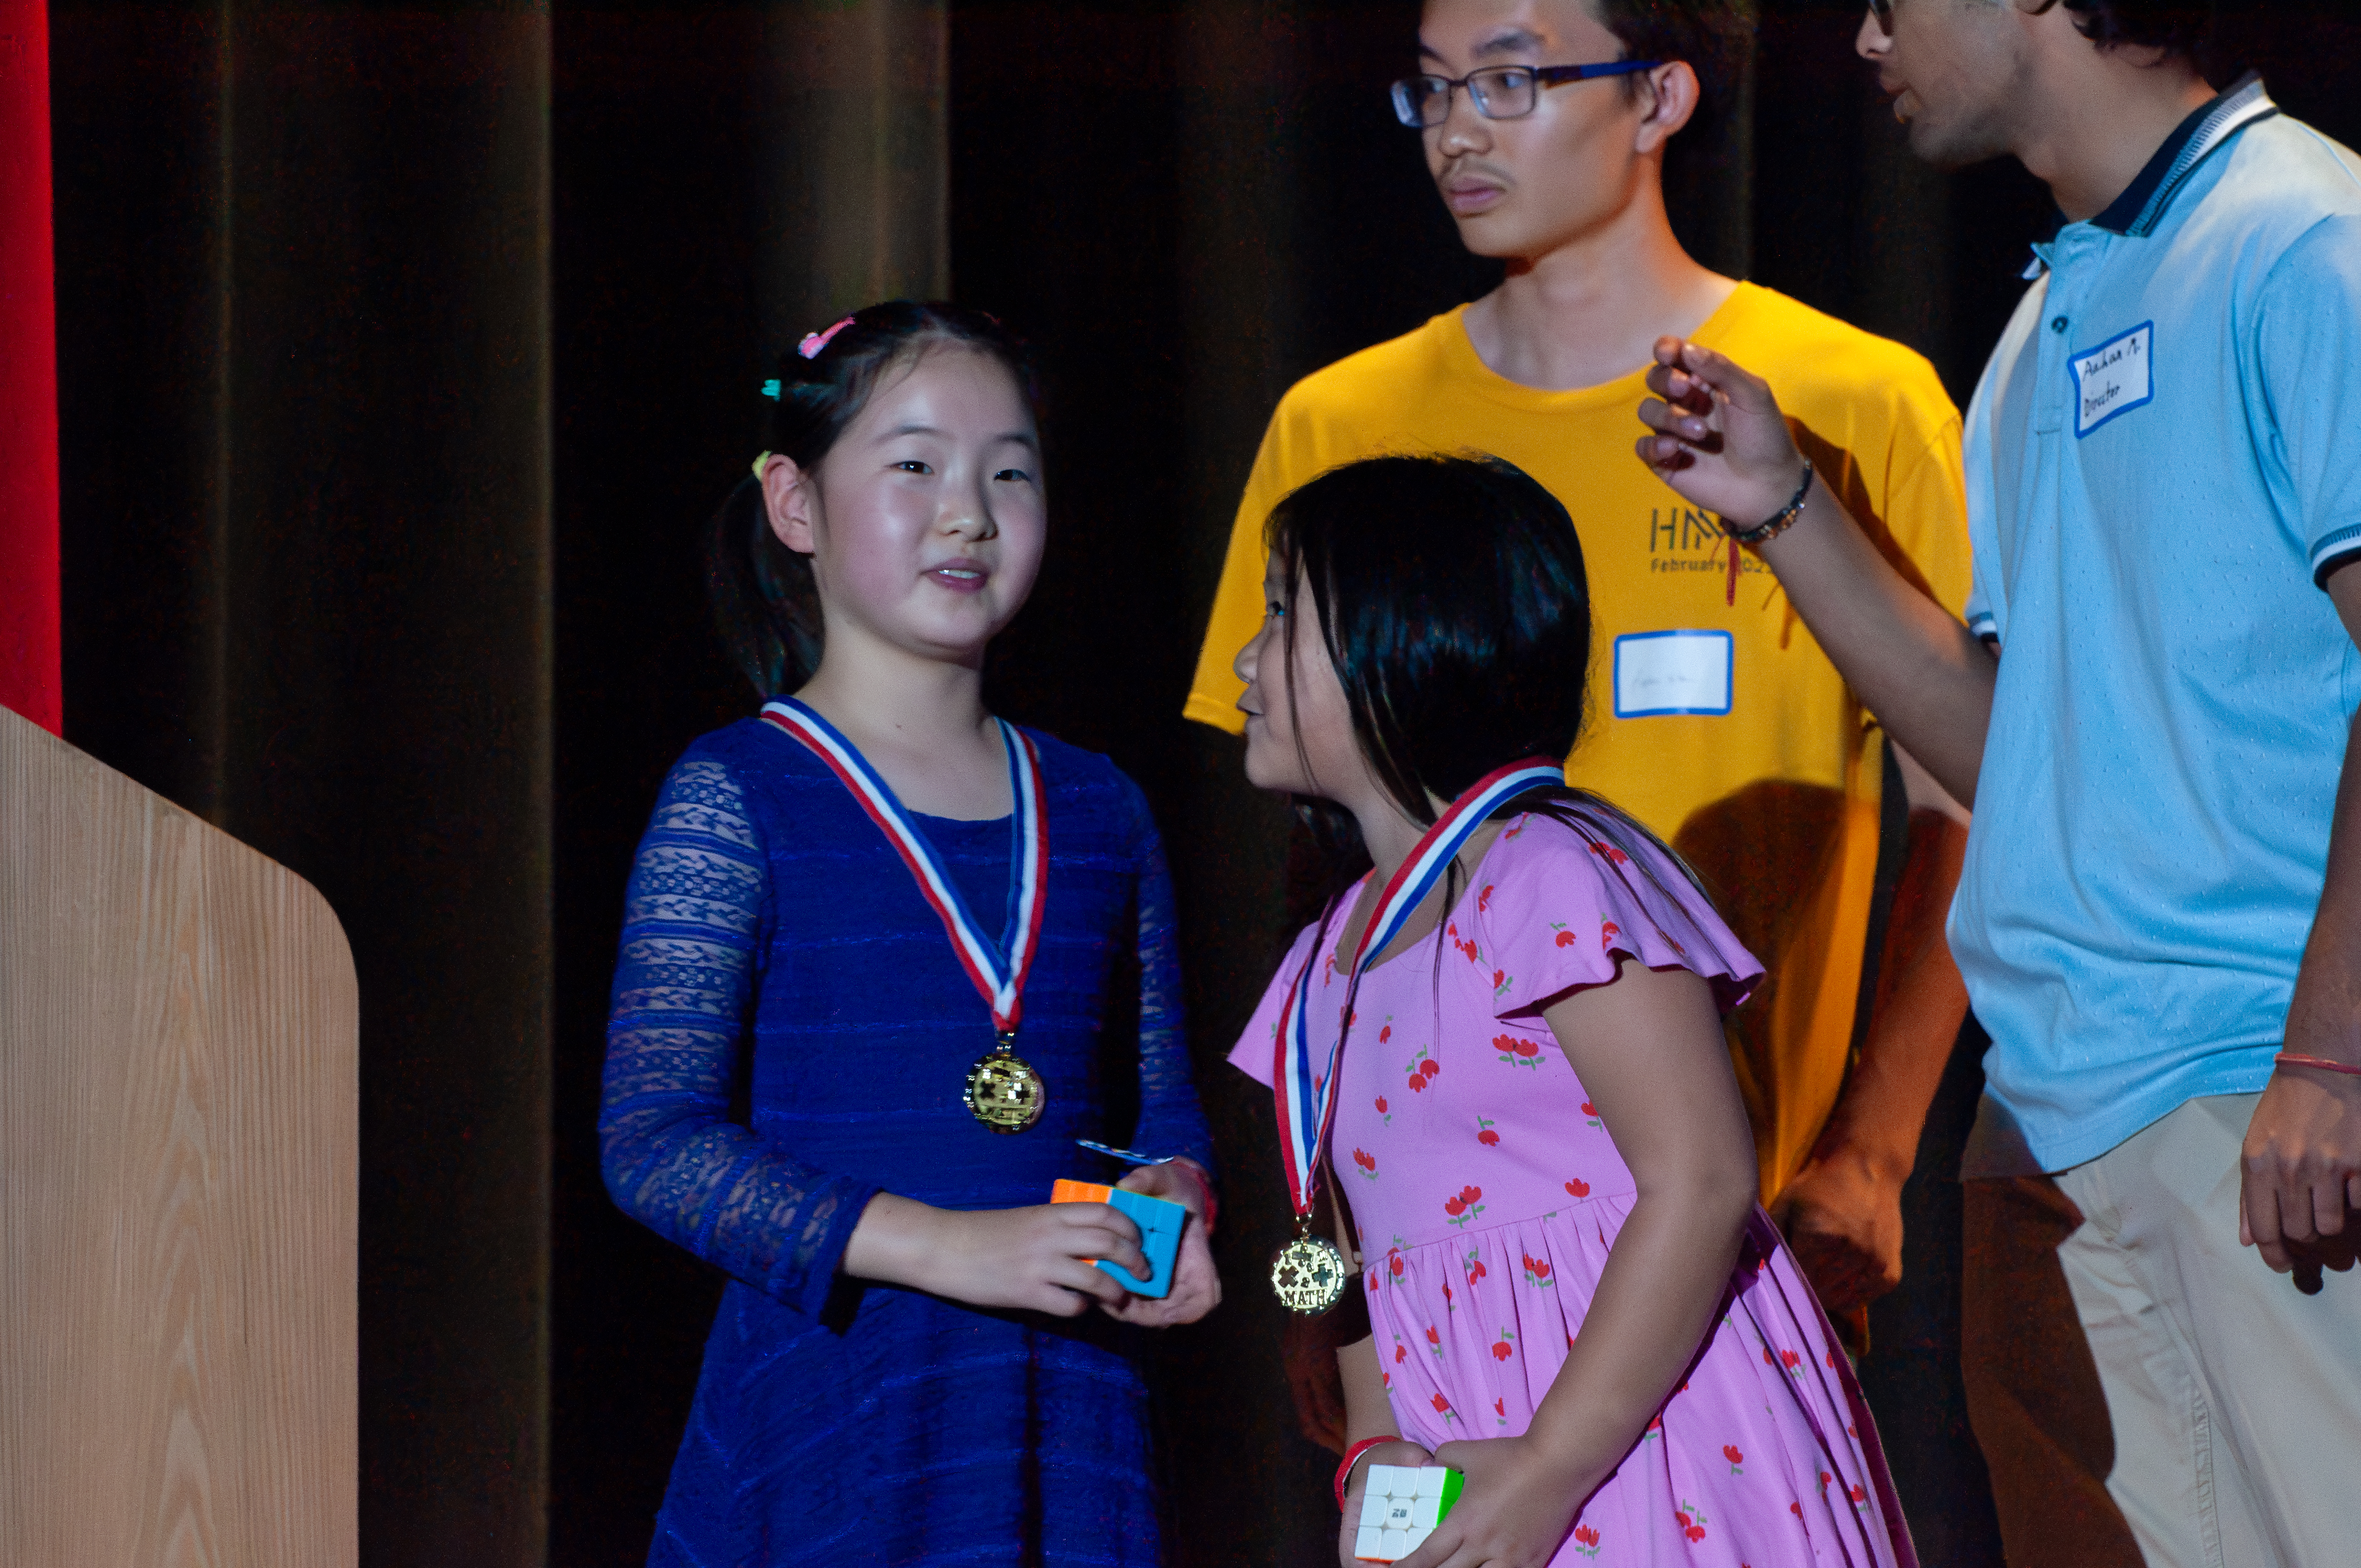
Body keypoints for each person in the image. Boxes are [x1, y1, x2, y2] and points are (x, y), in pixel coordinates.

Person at [1631, 3, 2361, 1563]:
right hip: (2053, 1128)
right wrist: (1786, 515)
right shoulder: (2050, 321)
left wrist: (2334, 1058)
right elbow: (2023, 760)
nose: (1868, 37)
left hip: (2262, 1103)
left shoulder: (2301, 236)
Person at [1185, 0, 1974, 1348]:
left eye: (1507, 83)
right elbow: (1311, 862)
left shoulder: (1847, 401)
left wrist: (1875, 1145)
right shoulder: (1339, 425)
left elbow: (1969, 806)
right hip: (1441, 1245)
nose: (1455, 133)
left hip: (1744, 1228)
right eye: (1429, 92)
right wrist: (1326, 1256)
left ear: (1659, 101)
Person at [599, 302, 1220, 1566]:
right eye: (914, 464)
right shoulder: (735, 792)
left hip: (1061, 1413)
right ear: (794, 505)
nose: (968, 512)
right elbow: (651, 1141)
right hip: (843, 1412)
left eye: (1009, 471)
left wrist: (1172, 1199)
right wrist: (945, 1244)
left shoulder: (1101, 802)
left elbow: (1158, 1104)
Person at [1228, 453, 1914, 1568]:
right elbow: (1358, 1280)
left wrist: (1553, 1458)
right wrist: (1373, 1475)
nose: (1245, 661)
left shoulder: (1554, 871)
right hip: (1470, 1474)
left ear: (1405, 631)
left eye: (1277, 615)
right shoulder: (1317, 967)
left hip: (1641, 1437)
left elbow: (1698, 1178)